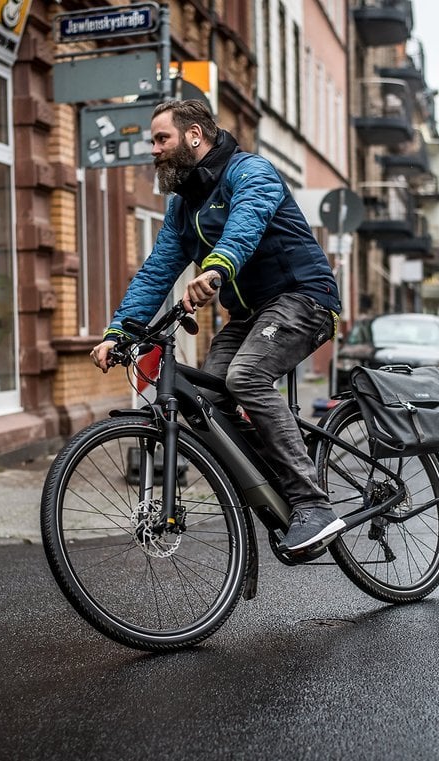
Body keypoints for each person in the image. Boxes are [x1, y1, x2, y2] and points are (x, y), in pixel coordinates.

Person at [90, 99, 344, 552]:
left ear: (194, 135)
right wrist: (119, 332)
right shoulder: (182, 207)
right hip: (250, 314)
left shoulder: (250, 172)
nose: (153, 149)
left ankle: (313, 505)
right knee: (207, 396)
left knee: (245, 375)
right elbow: (157, 271)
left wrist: (216, 268)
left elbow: (244, 226)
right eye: (152, 141)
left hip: (304, 299)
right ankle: (275, 478)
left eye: (160, 138)